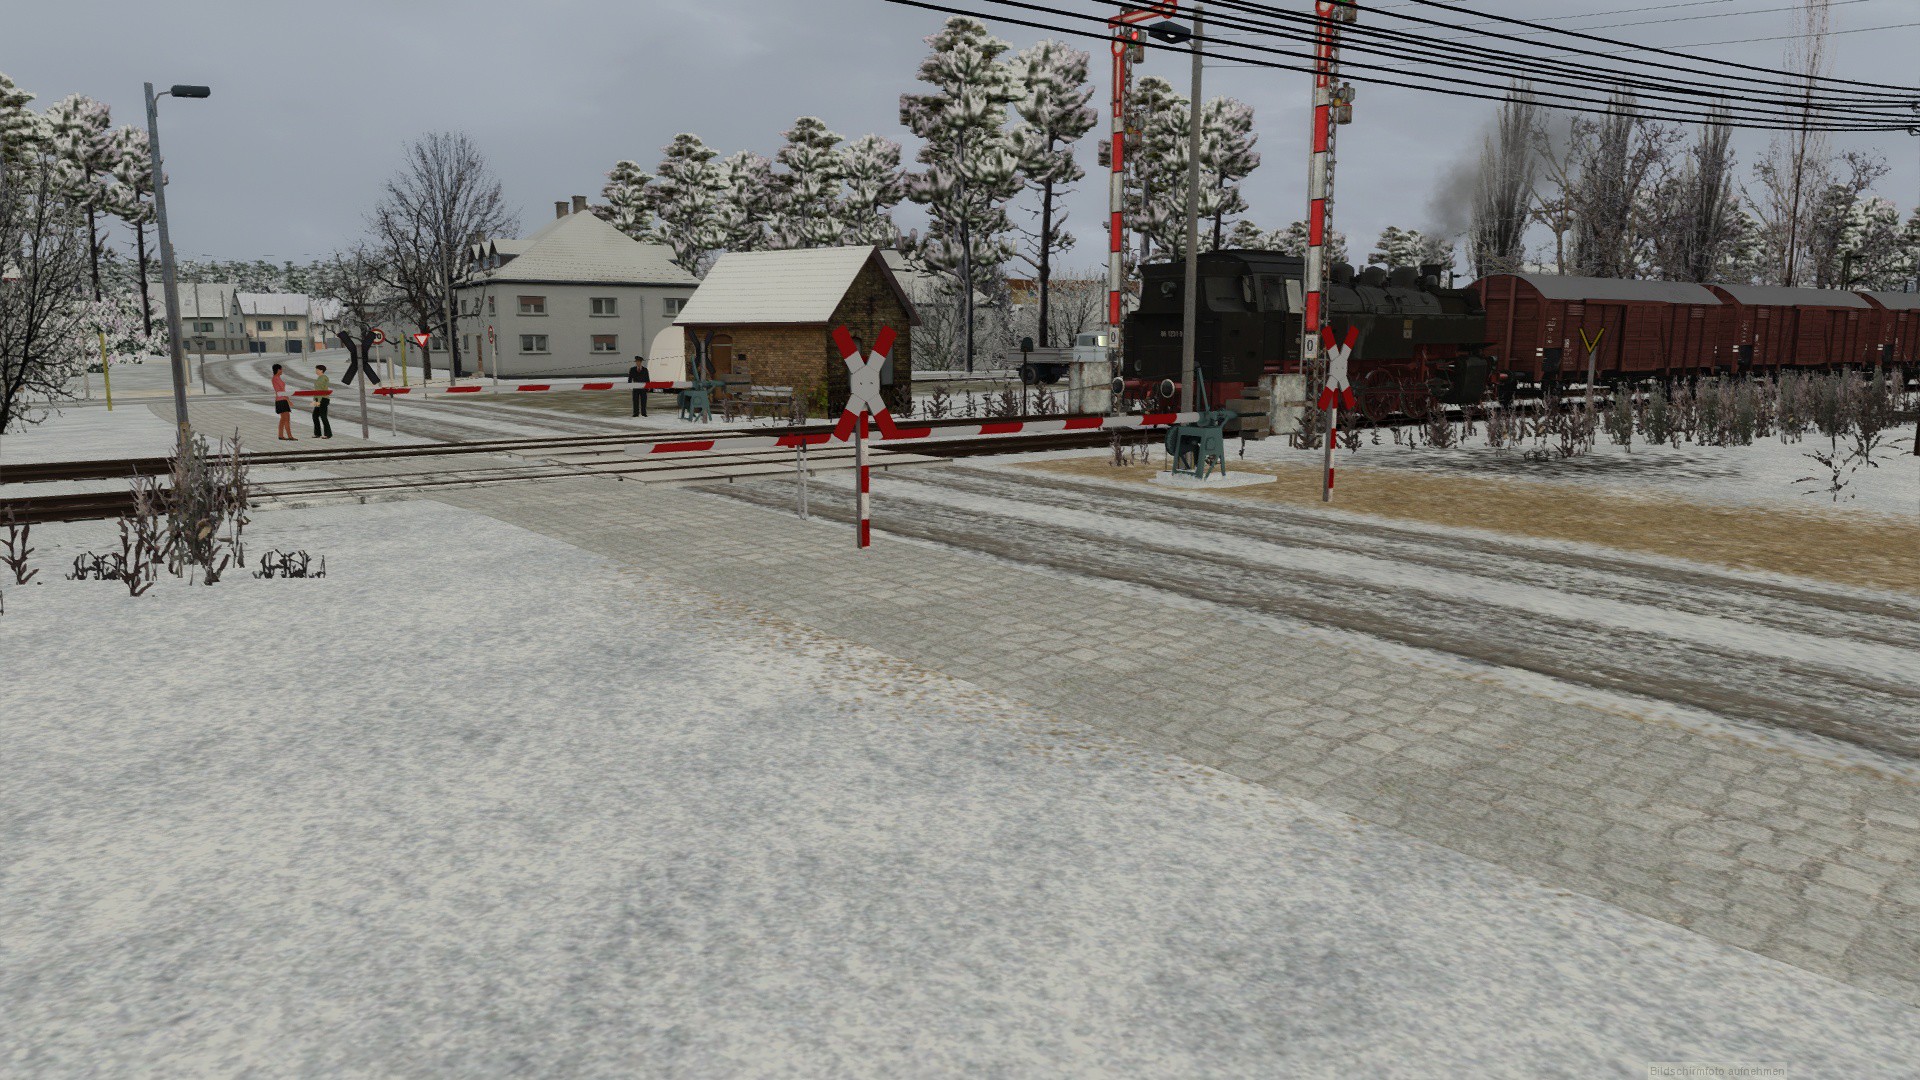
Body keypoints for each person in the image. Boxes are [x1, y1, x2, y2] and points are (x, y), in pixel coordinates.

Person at [311, 364, 333, 439]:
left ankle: (328, 434)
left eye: (317, 370)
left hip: (323, 399)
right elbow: (317, 390)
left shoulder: (323, 378)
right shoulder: (319, 378)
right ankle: (317, 433)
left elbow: (321, 390)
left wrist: (318, 400)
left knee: (323, 416)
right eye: (316, 369)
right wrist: (315, 399)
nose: (316, 371)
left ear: (321, 370)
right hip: (318, 399)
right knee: (315, 416)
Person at [272, 363, 294, 440]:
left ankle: (281, 435)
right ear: (278, 370)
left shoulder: (277, 378)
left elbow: (282, 391)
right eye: (281, 369)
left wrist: (287, 400)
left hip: (282, 400)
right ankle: (289, 436)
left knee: (283, 419)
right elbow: (281, 391)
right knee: (286, 419)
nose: (282, 370)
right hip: (281, 400)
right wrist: (288, 400)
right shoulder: (275, 378)